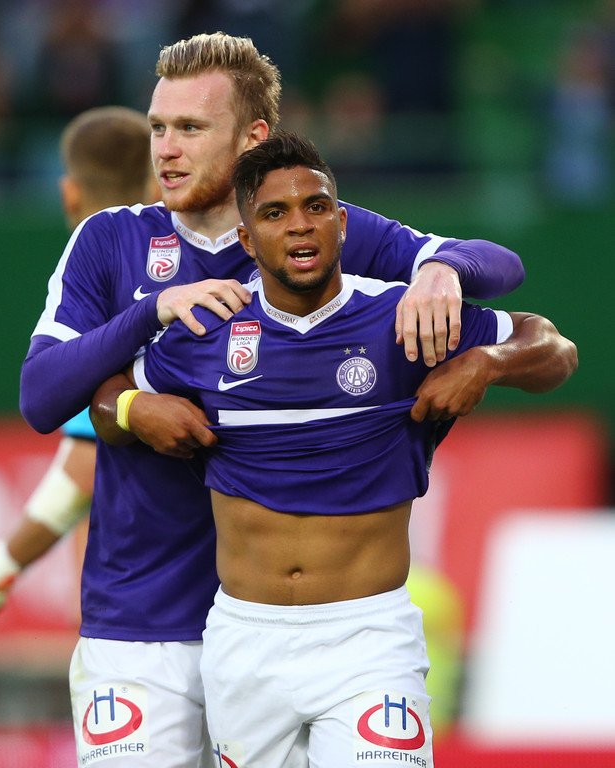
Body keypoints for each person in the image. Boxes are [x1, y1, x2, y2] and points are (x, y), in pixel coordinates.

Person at [17, 32, 527, 768]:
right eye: (158, 127)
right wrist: (149, 318)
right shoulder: (110, 240)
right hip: (142, 616)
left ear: (252, 137)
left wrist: (442, 269)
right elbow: (40, 396)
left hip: (284, 617)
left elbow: (501, 267)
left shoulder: (306, 227)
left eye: (191, 128)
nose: (166, 149)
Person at [103, 131, 577, 767]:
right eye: (275, 213)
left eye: (316, 206)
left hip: (369, 638)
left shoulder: (403, 316)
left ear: (342, 223)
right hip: (245, 640)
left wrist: (487, 363)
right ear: (247, 240)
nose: (300, 225)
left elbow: (554, 348)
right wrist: (131, 408)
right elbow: (99, 396)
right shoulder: (205, 330)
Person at [0, 105, 159, 676]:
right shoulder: (197, 267)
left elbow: (81, 471)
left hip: (145, 613)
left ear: (68, 193)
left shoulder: (104, 288)